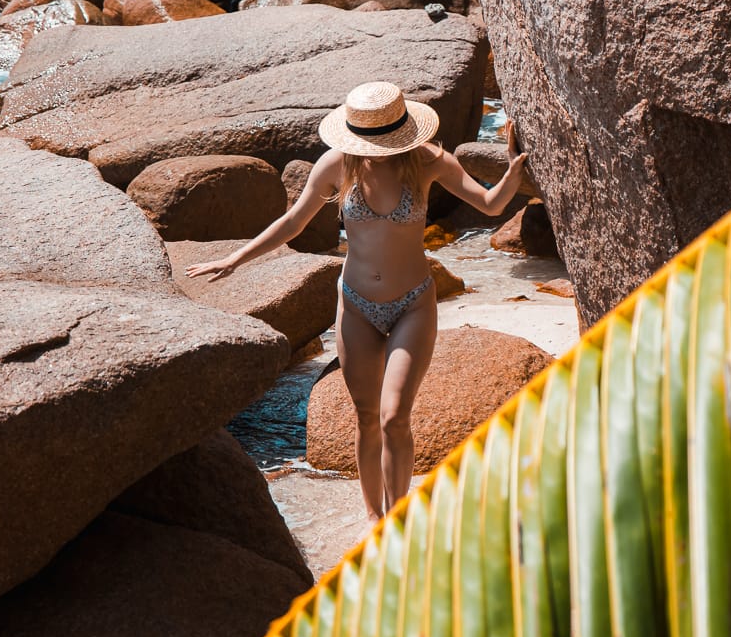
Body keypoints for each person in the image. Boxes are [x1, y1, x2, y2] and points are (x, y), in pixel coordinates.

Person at [186, 80, 529, 522]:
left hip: (413, 304)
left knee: (393, 418)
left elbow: (488, 203)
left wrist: (512, 173)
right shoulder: (336, 164)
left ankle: (399, 516)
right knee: (367, 417)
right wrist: (235, 258)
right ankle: (374, 520)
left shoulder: (427, 162)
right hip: (356, 305)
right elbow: (293, 222)